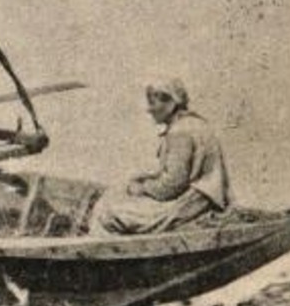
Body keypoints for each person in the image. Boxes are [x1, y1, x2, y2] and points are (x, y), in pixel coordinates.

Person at [95, 78, 232, 234]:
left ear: (171, 103)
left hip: (191, 204)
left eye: (153, 103)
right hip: (205, 199)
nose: (149, 109)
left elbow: (173, 185)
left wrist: (142, 188)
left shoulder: (180, 132)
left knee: (109, 214)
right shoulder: (195, 124)